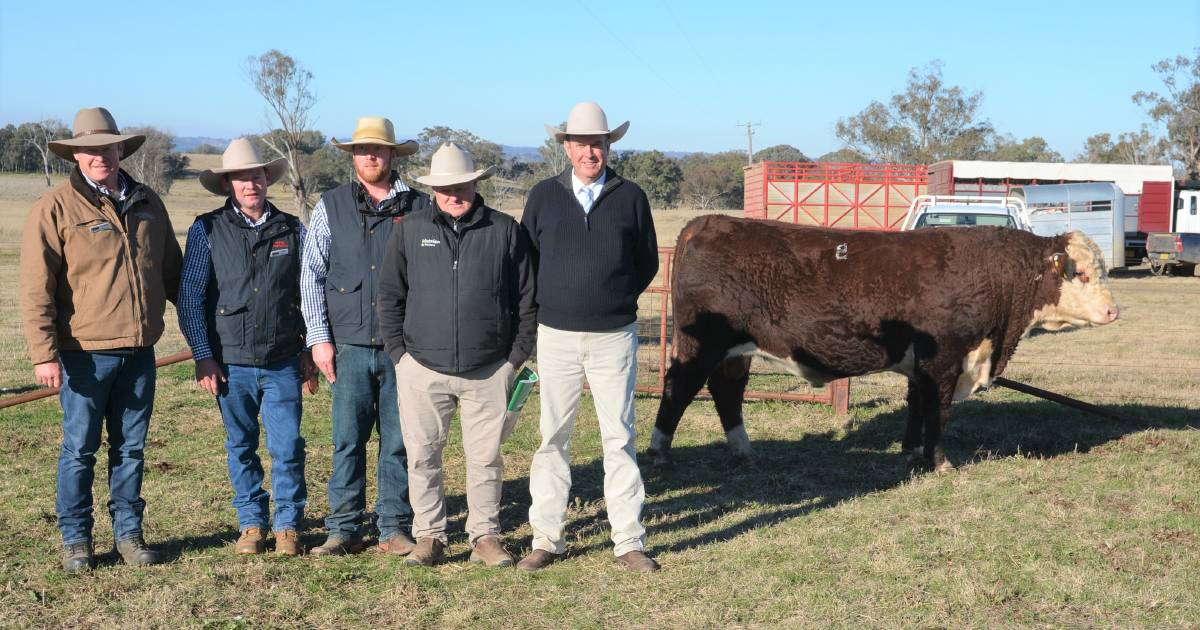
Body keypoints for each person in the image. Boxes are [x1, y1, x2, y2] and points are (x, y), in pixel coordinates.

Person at [20, 107, 183, 571]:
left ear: (120, 149)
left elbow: (173, 274)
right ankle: (77, 540)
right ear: (76, 155)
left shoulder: (148, 201)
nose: (99, 156)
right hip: (84, 356)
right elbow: (37, 287)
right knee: (80, 449)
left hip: (140, 352)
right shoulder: (55, 208)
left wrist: (204, 336)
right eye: (89, 150)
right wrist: (43, 354)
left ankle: (129, 536)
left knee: (130, 449)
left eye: (107, 147)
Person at [518, 102, 661, 572]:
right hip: (555, 334)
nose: (589, 151)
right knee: (552, 436)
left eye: (597, 143)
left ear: (608, 146)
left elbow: (646, 263)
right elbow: (528, 261)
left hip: (613, 336)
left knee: (618, 437)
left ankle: (628, 541)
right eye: (580, 143)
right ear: (566, 147)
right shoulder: (542, 196)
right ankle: (547, 538)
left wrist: (613, 298)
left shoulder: (631, 196)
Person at [378, 143, 536, 566]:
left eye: (461, 185)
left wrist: (514, 358)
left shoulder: (504, 229)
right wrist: (400, 355)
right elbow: (390, 295)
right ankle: (430, 536)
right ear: (433, 188)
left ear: (474, 184)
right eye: (445, 187)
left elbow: (527, 299)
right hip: (421, 368)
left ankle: (484, 536)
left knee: (485, 458)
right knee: (422, 455)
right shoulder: (409, 229)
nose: (454, 194)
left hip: (489, 369)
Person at [178, 138, 315, 556]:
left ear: (266, 179)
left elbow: (311, 291)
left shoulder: (292, 229)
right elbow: (190, 296)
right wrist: (203, 354)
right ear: (228, 184)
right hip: (230, 362)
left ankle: (289, 526)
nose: (250, 184)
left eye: (256, 175)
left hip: (283, 360)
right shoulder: (207, 229)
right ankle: (252, 524)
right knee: (241, 445)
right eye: (240, 178)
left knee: (287, 444)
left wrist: (310, 346)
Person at [300, 117, 428, 556]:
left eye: (378, 149)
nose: (370, 156)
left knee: (399, 441)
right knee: (347, 441)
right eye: (361, 149)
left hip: (404, 348)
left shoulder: (420, 207)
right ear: (352, 156)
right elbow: (311, 275)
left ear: (393, 155)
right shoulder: (329, 206)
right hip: (348, 345)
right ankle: (343, 528)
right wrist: (319, 338)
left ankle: (393, 527)